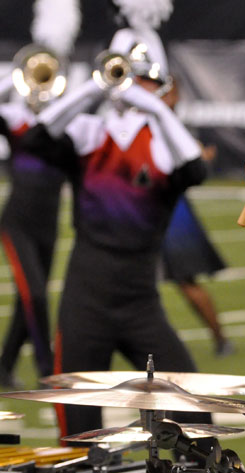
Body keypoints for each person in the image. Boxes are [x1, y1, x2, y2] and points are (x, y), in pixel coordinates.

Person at [23, 25, 209, 438]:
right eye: (126, 73)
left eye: (142, 77)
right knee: (76, 431)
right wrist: (93, 89)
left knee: (195, 416)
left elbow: (197, 169)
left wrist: (157, 108)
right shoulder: (88, 134)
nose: (131, 85)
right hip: (84, 302)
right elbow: (35, 140)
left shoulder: (165, 142)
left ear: (158, 84)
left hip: (140, 302)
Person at [0, 0, 81, 387]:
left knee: (27, 299)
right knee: (34, 295)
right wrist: (13, 81)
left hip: (49, 224)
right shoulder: (14, 120)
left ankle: (3, 365)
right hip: (15, 222)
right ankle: (48, 369)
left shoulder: (63, 125)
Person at [159, 79, 233, 357]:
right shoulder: (146, 119)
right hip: (142, 208)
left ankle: (220, 338)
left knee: (185, 279)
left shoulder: (172, 125)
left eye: (169, 92)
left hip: (172, 211)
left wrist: (202, 157)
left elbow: (198, 159)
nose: (164, 97)